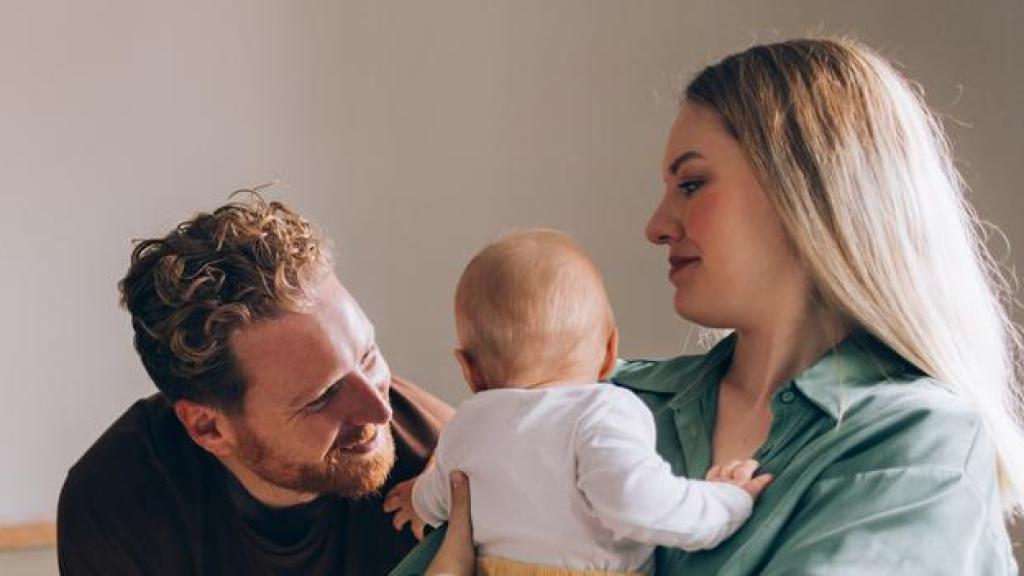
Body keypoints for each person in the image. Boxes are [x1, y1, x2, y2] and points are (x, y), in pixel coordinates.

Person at [389, 37, 1023, 575]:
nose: (657, 225)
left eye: (691, 184)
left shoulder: (918, 445)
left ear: (805, 190)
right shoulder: (604, 398)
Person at [57, 192, 453, 575]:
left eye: (367, 356)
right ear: (208, 428)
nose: (378, 409)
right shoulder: (117, 504)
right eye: (323, 396)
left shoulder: (446, 469)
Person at [385, 229, 772, 575]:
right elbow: (641, 503)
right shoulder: (602, 412)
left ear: (468, 369)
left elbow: (444, 494)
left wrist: (415, 501)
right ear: (609, 352)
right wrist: (726, 502)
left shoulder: (467, 425)